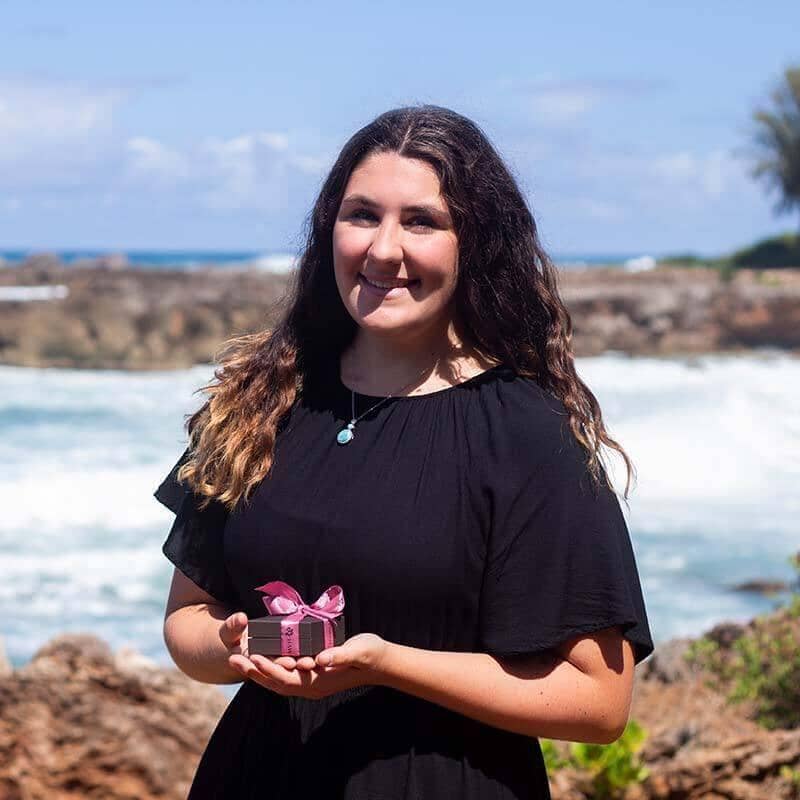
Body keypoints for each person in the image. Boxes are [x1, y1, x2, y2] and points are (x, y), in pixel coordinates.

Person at [155, 104, 654, 800]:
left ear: (471, 243)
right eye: (362, 214)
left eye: (420, 221)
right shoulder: (256, 404)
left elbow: (598, 701)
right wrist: (234, 647)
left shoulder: (527, 433)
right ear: (328, 227)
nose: (383, 249)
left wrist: (388, 664)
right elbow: (186, 623)